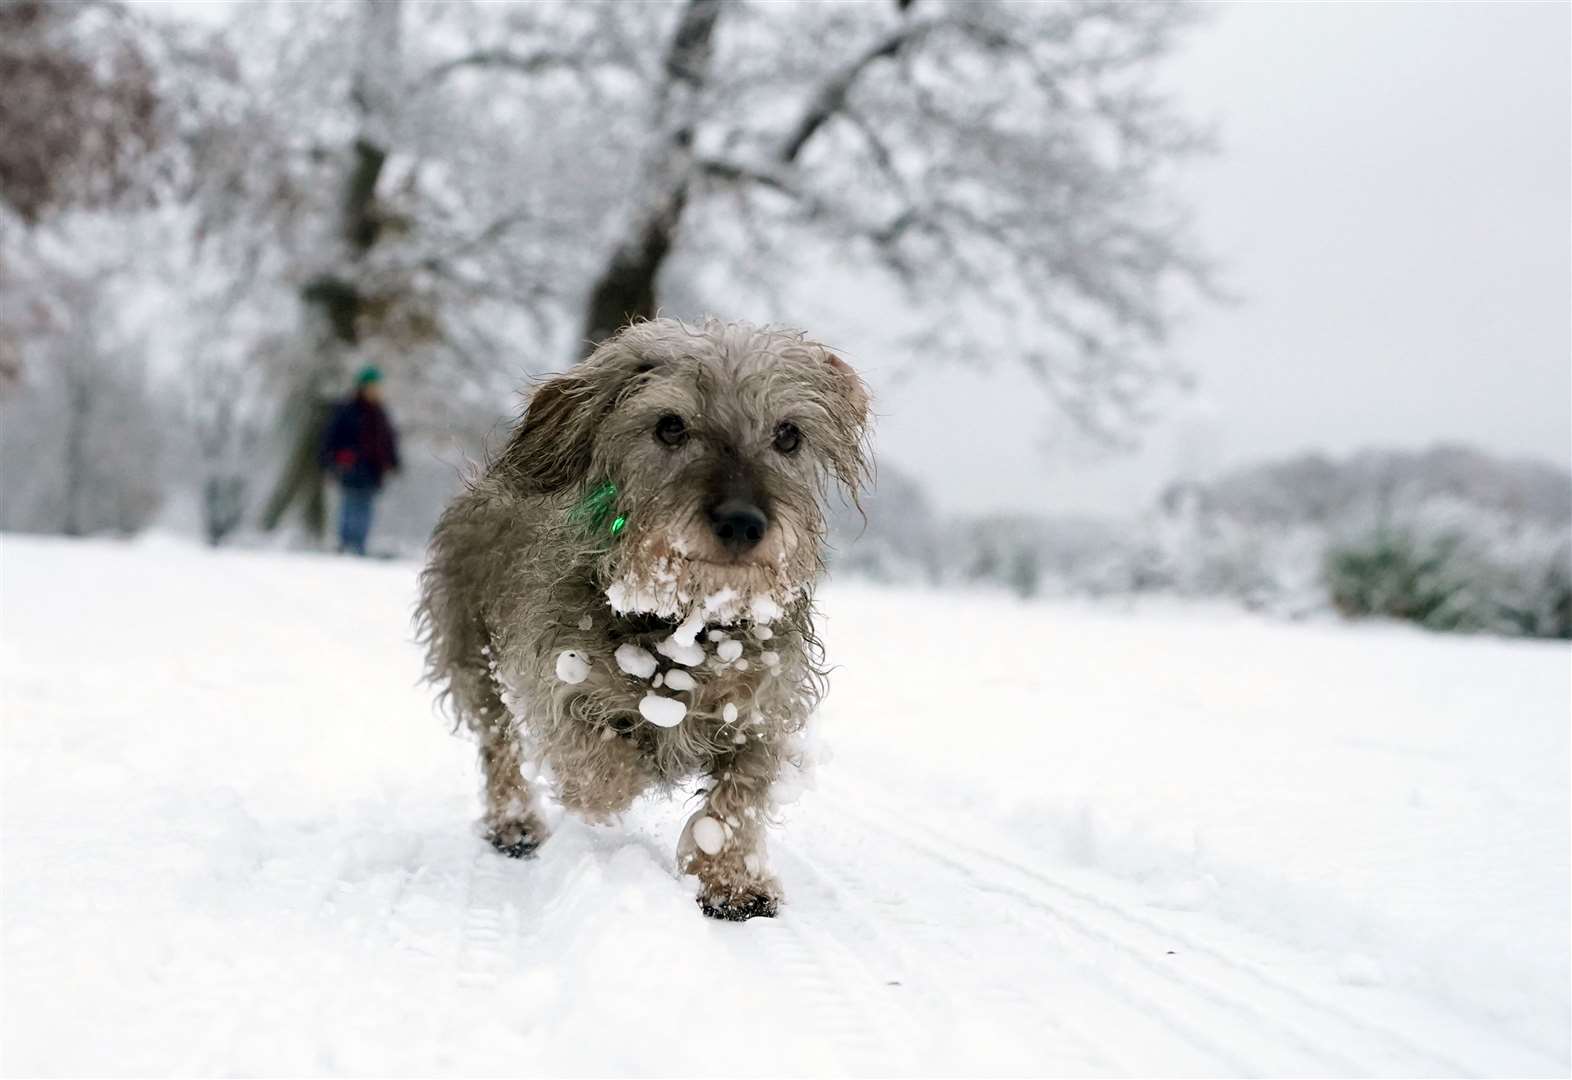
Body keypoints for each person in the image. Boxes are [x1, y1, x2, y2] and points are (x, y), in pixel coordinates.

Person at [321, 365, 400, 555]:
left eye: (376, 387)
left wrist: (394, 462)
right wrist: (330, 460)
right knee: (349, 503)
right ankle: (346, 543)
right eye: (371, 386)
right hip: (350, 466)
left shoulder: (380, 413)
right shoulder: (347, 410)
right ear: (362, 387)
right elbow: (331, 437)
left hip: (373, 470)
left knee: (366, 506)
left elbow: (388, 440)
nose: (374, 390)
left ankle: (359, 545)